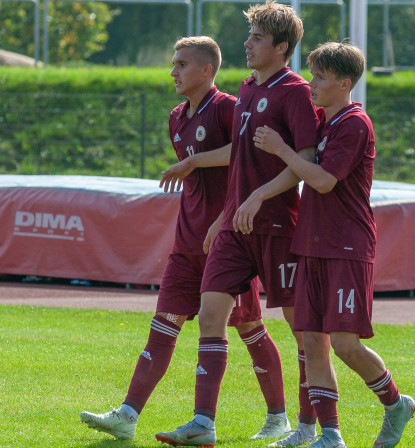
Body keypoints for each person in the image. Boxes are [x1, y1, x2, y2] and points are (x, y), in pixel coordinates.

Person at [79, 36, 286, 442]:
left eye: (182, 64)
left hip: (229, 244)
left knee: (249, 329)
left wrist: (222, 214)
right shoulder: (176, 116)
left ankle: (276, 418)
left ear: (207, 70)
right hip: (186, 244)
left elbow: (245, 156)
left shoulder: (229, 107)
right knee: (163, 326)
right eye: (173, 63)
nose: (173, 71)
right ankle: (127, 415)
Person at [155, 2, 321, 446]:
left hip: (277, 226)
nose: (247, 45)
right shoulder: (247, 89)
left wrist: (258, 196)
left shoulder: (298, 91)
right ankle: (203, 424)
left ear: (281, 47)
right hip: (235, 226)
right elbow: (241, 162)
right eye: (248, 37)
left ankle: (305, 427)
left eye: (257, 39)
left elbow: (304, 163)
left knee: (300, 329)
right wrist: (226, 215)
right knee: (211, 315)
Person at [253, 41, 415, 448]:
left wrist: (281, 148)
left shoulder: (354, 123)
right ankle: (329, 435)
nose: (312, 83)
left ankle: (396, 404)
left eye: (321, 77)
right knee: (311, 339)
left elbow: (323, 181)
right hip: (311, 243)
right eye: (312, 74)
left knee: (344, 344)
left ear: (345, 83)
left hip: (347, 246)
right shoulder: (324, 122)